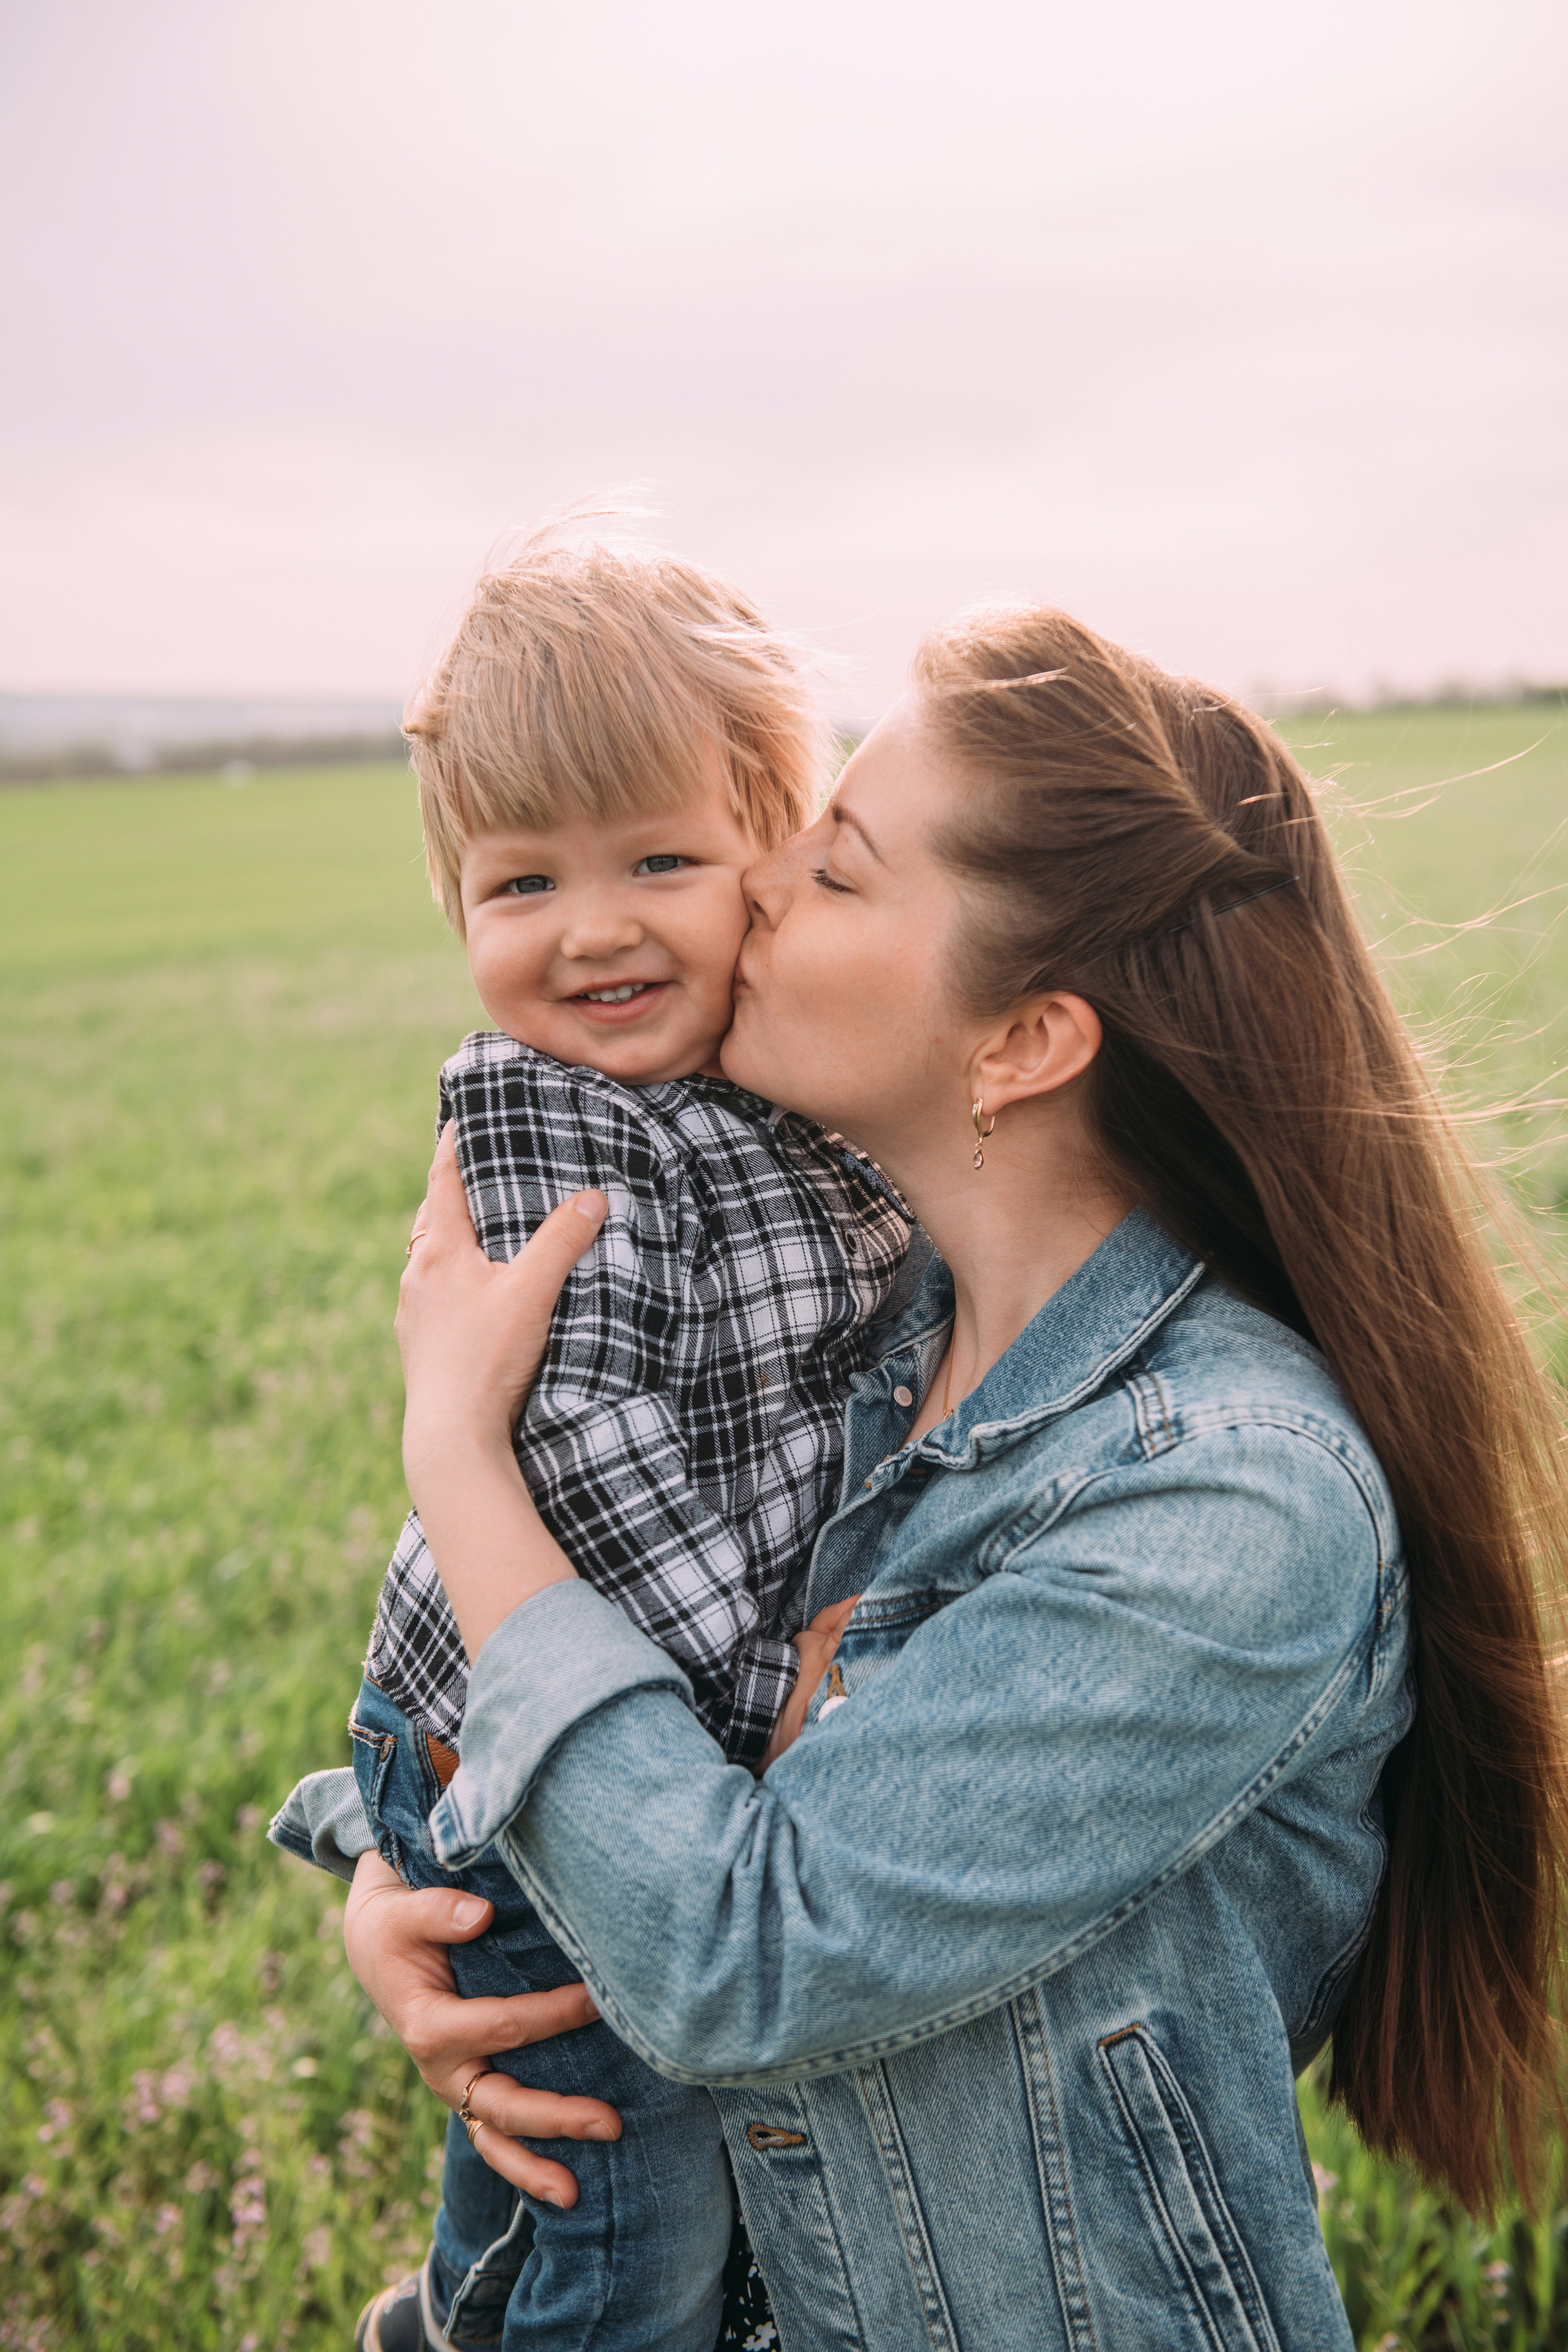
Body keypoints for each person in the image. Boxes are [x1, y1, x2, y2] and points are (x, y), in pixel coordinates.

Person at [346, 601, 1568, 2351]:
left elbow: (734, 1951)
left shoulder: (1227, 1496)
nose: (754, 890)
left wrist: (456, 1450)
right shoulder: (865, 1335)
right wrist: (421, 1877)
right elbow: (620, 1703)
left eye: (834, 870)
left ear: (1020, 1043)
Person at [269, 525, 919, 2352]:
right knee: (614, 2221)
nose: (594, 926)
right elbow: (598, 1460)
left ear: (773, 860)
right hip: (544, 1725)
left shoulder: (775, 1092)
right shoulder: (558, 1120)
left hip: (628, 1728)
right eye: (520, 881)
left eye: (660, 860)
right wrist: (776, 1707)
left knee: (708, 2202)